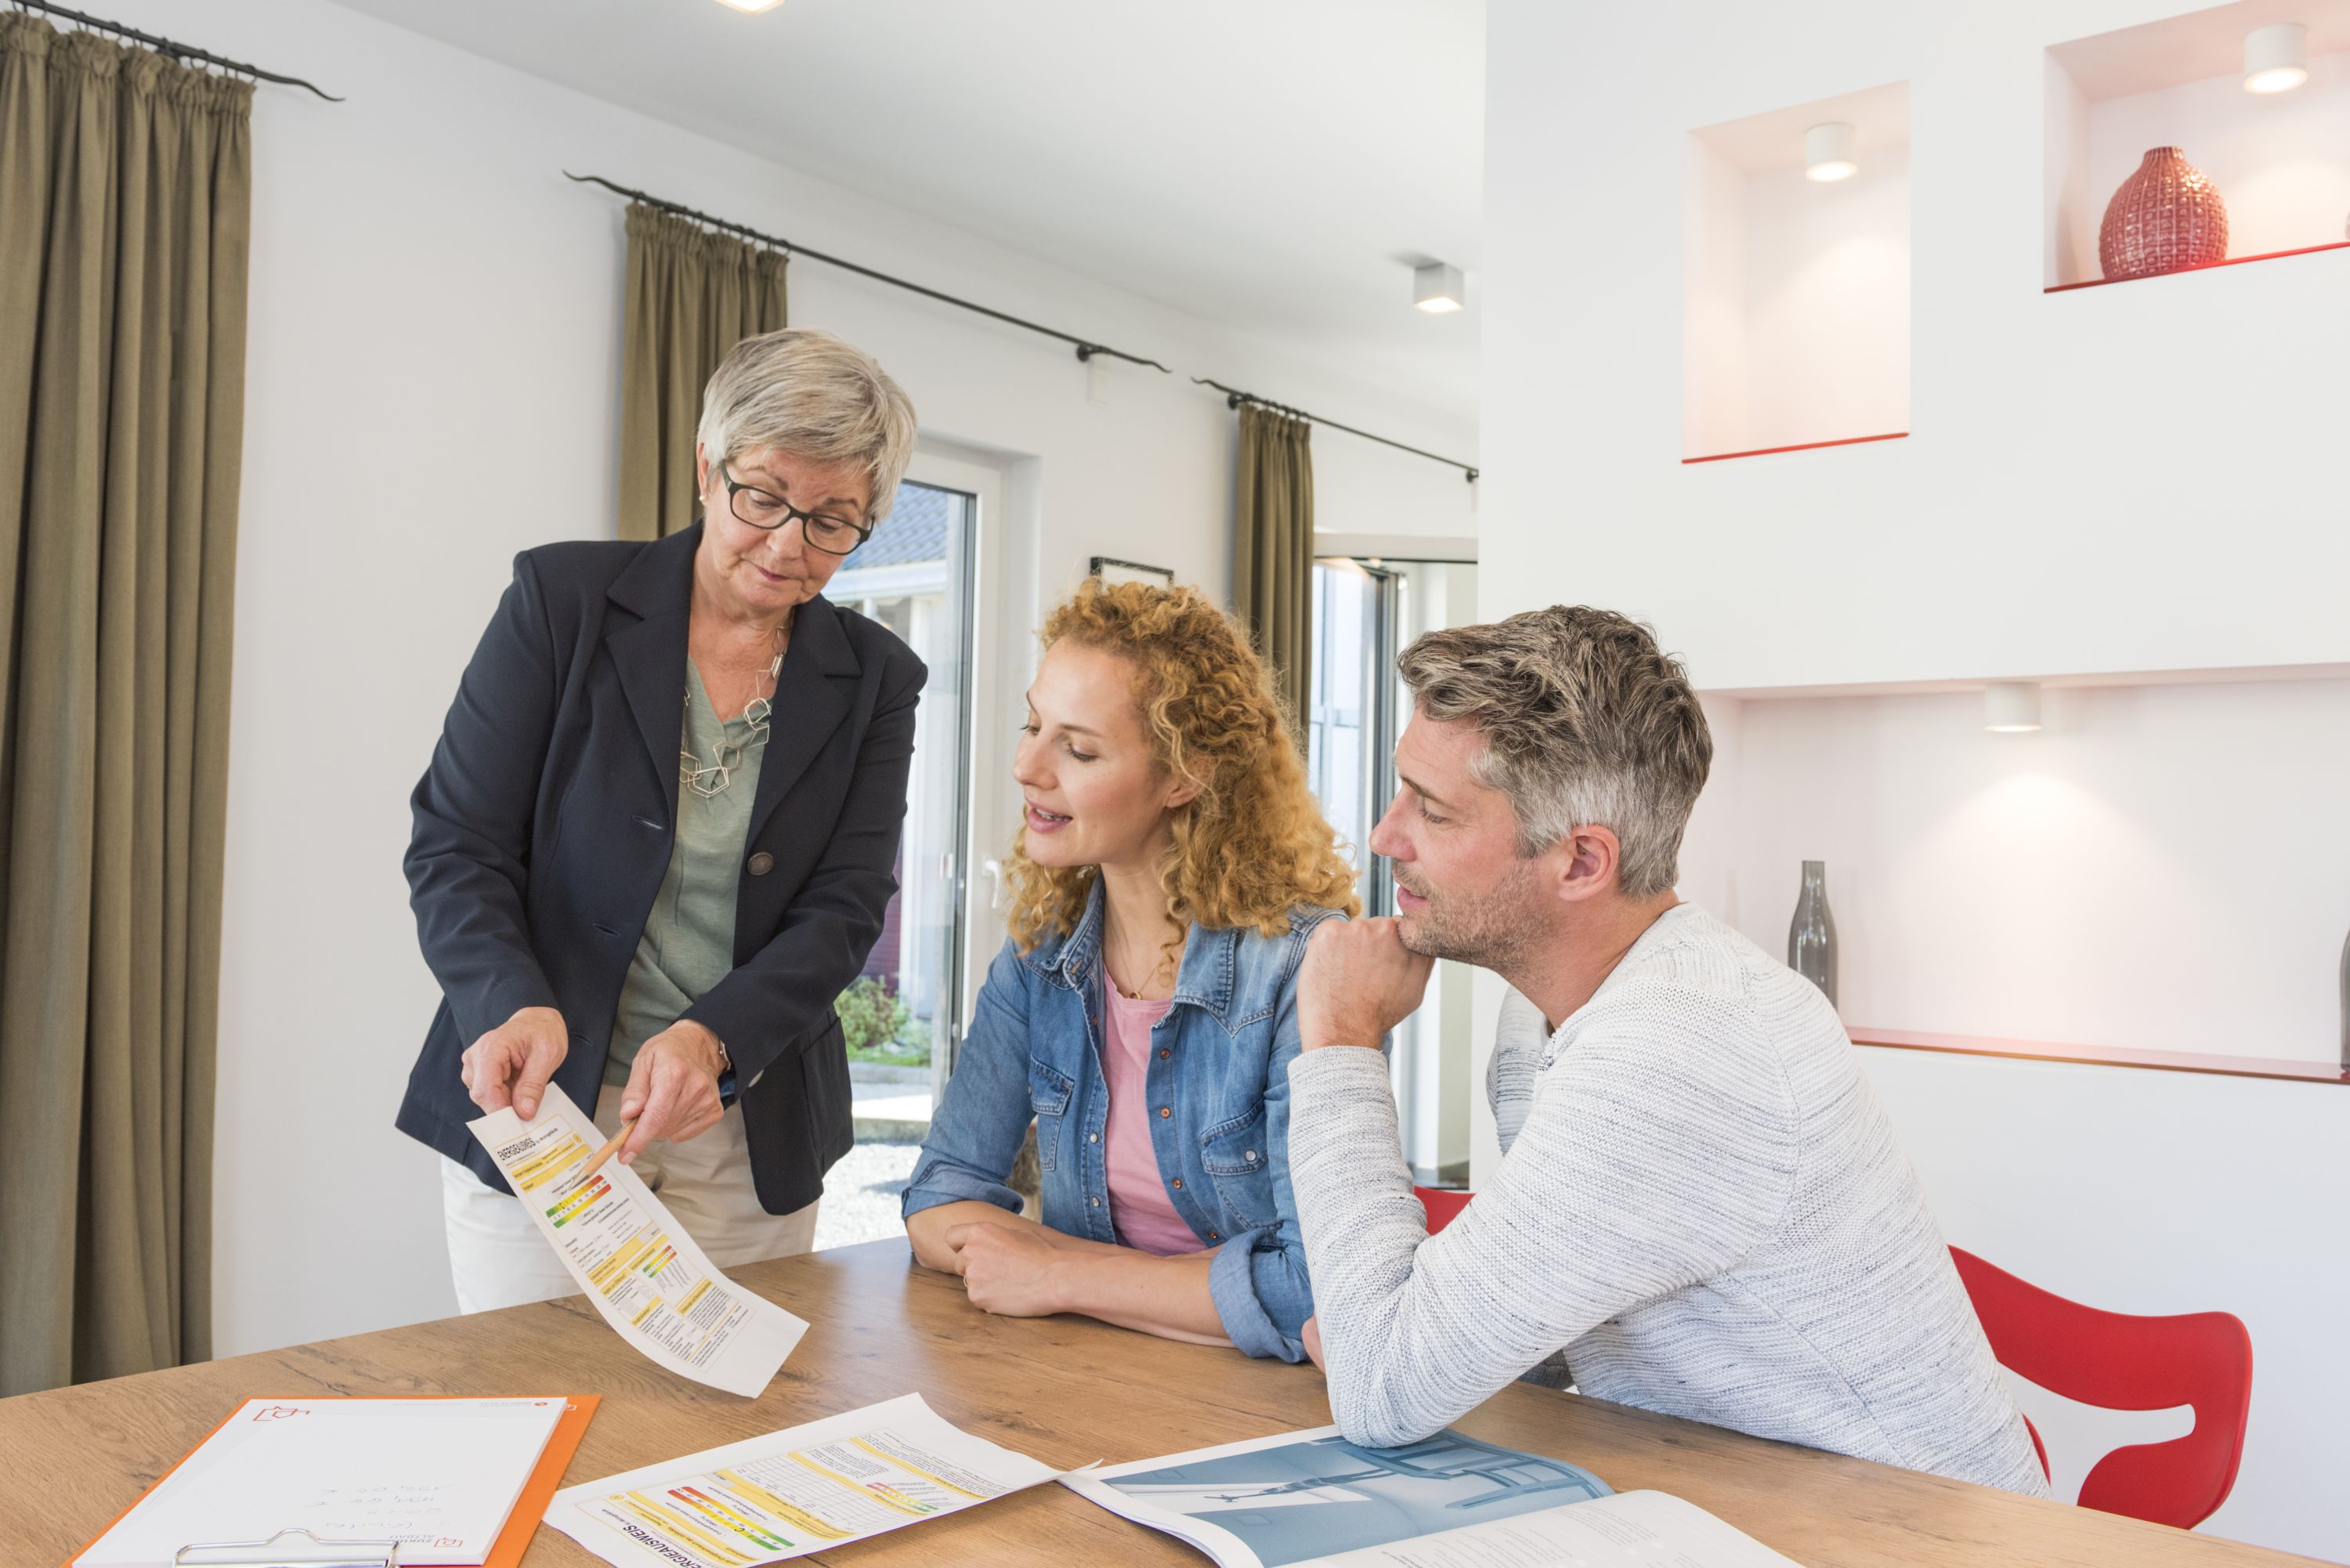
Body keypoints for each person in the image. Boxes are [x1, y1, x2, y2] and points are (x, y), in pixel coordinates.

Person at [1287, 606, 2048, 1495]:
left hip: (1918, 1539)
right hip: (1754, 1507)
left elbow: (1380, 1389)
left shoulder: (1674, 1051)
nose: (1386, 837)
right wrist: (1404, 1332)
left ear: (1580, 863)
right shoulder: (1552, 1017)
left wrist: (1341, 1042)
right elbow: (1536, 1318)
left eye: (1436, 811)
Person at [400, 327, 924, 1313]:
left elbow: (845, 908)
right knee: (540, 1410)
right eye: (763, 497)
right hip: (543, 1101)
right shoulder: (563, 601)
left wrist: (714, 1040)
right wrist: (509, 997)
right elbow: (456, 843)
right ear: (705, 466)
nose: (785, 546)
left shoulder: (878, 679)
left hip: (743, 1122)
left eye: (832, 521)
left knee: (724, 1432)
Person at [902, 580, 1358, 1361]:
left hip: (1261, 1403)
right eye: (1033, 725)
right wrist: (1138, 1289)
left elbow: (1318, 1289)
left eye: (1077, 749)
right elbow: (942, 1195)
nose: (1026, 766)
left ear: (1184, 776)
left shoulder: (1301, 968)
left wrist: (1057, 1274)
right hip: (1090, 1373)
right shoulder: (1038, 957)